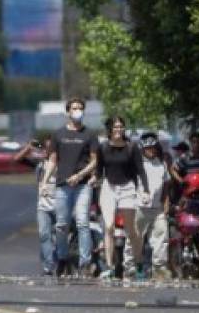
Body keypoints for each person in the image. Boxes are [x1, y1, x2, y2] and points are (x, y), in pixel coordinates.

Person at [40, 97, 99, 278]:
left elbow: (95, 160)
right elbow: (52, 161)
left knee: (82, 223)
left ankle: (85, 263)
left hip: (82, 186)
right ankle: (63, 259)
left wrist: (80, 175)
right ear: (67, 111)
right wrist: (44, 182)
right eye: (74, 108)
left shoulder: (89, 134)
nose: (77, 111)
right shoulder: (58, 134)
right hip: (62, 186)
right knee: (61, 225)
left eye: (80, 108)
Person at [96, 116, 149, 280]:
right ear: (110, 129)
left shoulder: (132, 147)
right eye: (115, 127)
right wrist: (94, 180)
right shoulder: (103, 148)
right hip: (109, 187)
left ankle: (139, 264)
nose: (118, 129)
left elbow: (141, 170)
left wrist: (145, 190)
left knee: (131, 230)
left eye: (121, 126)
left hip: (127, 187)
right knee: (109, 227)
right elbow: (99, 171)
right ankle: (110, 267)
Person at [124, 132, 170, 279]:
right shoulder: (136, 164)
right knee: (135, 238)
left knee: (161, 236)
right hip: (139, 207)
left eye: (153, 147)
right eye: (148, 148)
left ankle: (159, 267)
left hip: (157, 208)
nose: (151, 150)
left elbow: (166, 185)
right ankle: (130, 266)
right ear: (143, 149)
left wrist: (166, 202)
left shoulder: (161, 164)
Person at [15, 137, 56, 276]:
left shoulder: (63, 163)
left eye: (51, 149)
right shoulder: (40, 164)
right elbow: (17, 159)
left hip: (61, 204)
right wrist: (29, 147)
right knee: (44, 234)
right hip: (43, 206)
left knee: (60, 235)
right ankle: (49, 266)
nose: (48, 151)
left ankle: (61, 261)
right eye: (46, 148)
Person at [170, 132, 199, 215]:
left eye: (198, 142)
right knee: (193, 224)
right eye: (193, 142)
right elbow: (173, 169)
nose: (196, 144)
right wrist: (181, 181)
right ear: (190, 143)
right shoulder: (185, 157)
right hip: (192, 199)